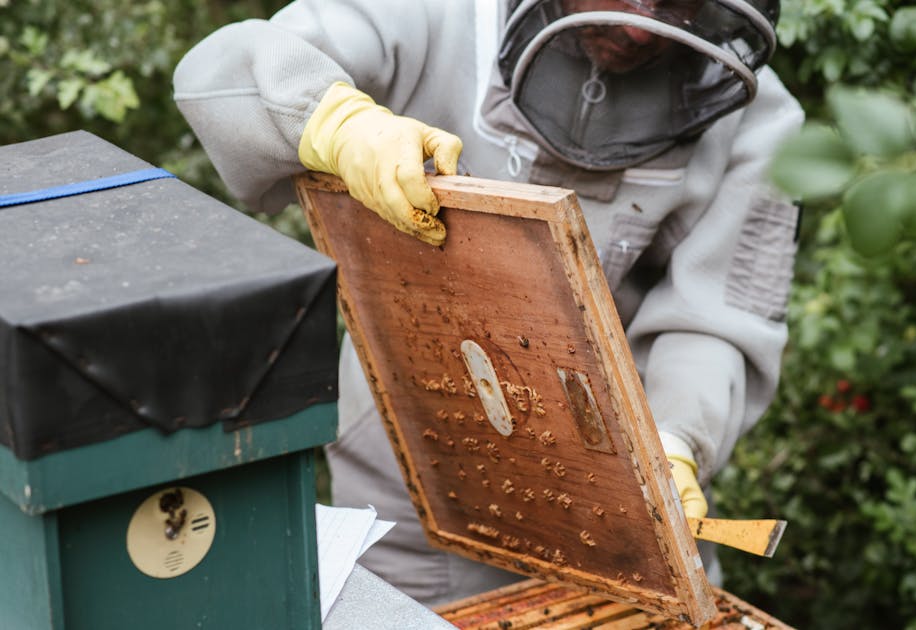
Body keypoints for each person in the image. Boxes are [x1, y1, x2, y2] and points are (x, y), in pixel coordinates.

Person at [174, 0, 804, 607]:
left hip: (622, 502)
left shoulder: (757, 118)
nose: (642, 27)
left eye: (679, 3)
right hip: (407, 484)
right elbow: (224, 68)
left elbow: (717, 320)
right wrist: (332, 123)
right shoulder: (434, 12)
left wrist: (676, 437)